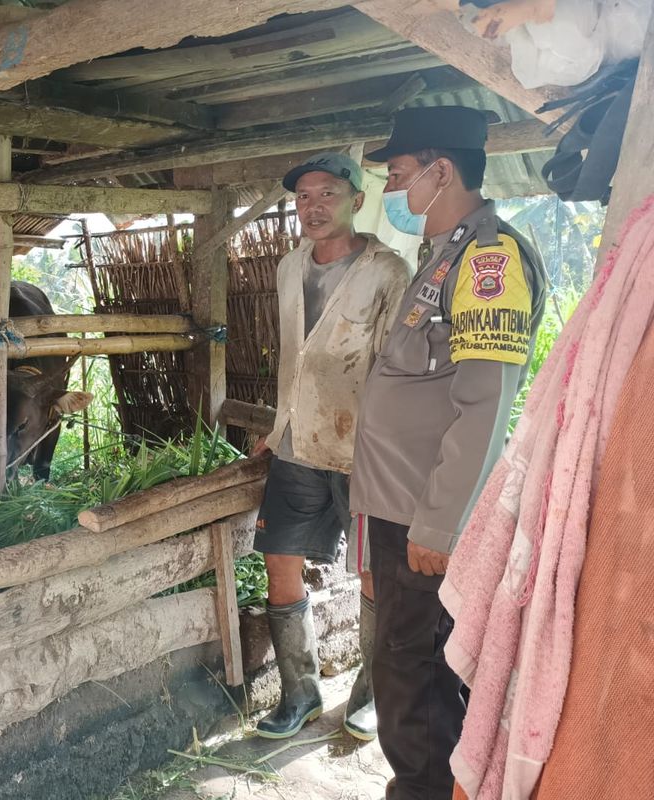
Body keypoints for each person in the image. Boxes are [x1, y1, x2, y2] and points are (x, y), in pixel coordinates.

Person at [349, 106, 548, 799]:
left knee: (415, 684)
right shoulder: (440, 257)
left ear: (442, 170)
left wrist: (440, 523)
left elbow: (484, 401)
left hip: (427, 520)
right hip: (398, 510)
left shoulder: (488, 259)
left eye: (399, 176)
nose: (394, 194)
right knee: (405, 674)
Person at [253, 152, 411, 742]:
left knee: (373, 574)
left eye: (327, 194)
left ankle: (370, 696)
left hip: (362, 451)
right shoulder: (288, 266)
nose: (313, 207)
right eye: (303, 198)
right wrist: (276, 430)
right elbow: (293, 359)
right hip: (294, 447)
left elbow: (398, 366)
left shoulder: (389, 271)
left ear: (356, 201)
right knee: (278, 563)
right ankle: (300, 694)